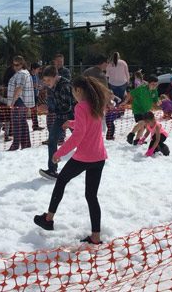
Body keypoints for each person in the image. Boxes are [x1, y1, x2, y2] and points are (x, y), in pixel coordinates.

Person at [33, 76, 110, 245]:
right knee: (91, 196)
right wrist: (72, 123)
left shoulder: (81, 106)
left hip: (84, 157)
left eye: (73, 91)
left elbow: (79, 135)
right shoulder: (96, 104)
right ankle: (95, 237)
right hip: (99, 157)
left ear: (78, 90)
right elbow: (89, 125)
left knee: (61, 181)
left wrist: (59, 152)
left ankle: (48, 218)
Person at [39, 65, 75, 180]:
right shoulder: (51, 87)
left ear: (56, 77)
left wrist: (49, 109)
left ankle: (92, 159)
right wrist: (48, 107)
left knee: (82, 138)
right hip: (60, 116)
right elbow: (54, 103)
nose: (47, 83)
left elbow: (66, 107)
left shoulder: (64, 85)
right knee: (52, 140)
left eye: (49, 80)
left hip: (73, 115)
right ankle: (52, 170)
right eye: (45, 80)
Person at [7, 56, 35, 150]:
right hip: (23, 102)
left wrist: (12, 102)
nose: (15, 67)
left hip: (19, 101)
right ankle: (26, 144)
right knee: (22, 122)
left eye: (17, 65)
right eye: (14, 65)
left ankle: (15, 145)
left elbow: (19, 88)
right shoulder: (26, 73)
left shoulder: (21, 74)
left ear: (22, 64)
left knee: (16, 123)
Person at [124, 75, 160, 144]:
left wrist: (158, 102)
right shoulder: (141, 88)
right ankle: (131, 135)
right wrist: (125, 102)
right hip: (138, 109)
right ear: (148, 83)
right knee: (142, 122)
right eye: (153, 84)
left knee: (143, 126)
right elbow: (130, 94)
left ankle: (137, 140)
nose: (154, 86)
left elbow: (156, 100)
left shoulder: (154, 91)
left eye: (156, 84)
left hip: (146, 110)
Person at [29, 62, 44, 131]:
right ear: (33, 69)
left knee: (34, 111)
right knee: (32, 111)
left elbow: (36, 84)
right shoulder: (28, 76)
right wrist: (35, 86)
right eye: (37, 69)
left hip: (35, 95)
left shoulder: (36, 75)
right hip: (29, 96)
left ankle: (35, 125)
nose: (38, 70)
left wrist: (38, 87)